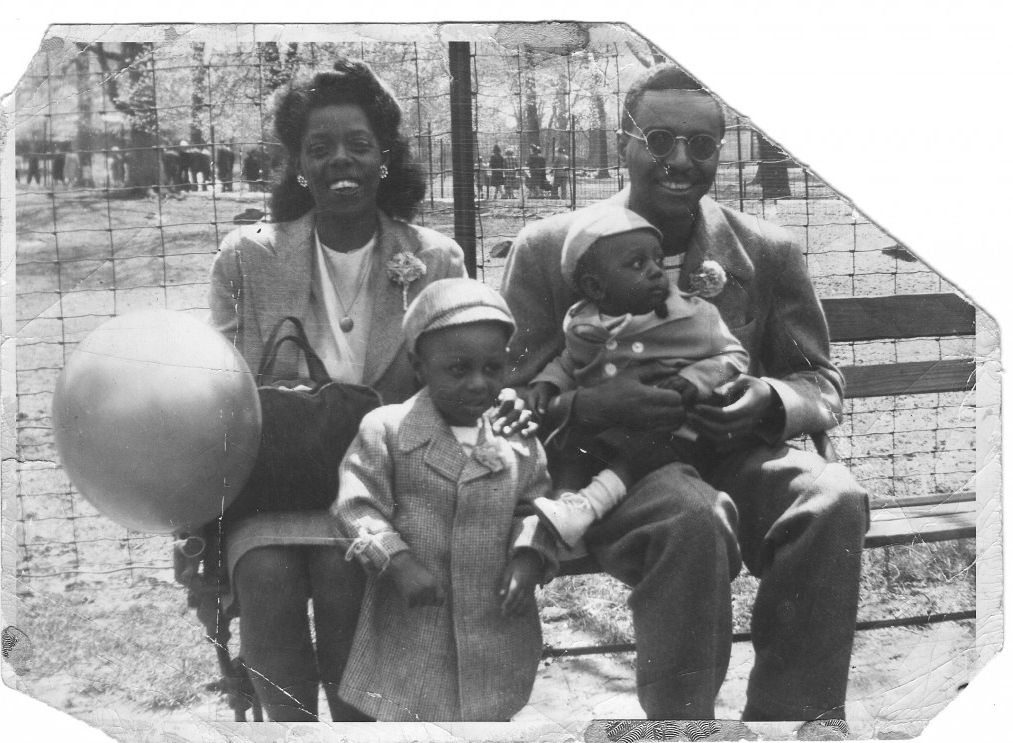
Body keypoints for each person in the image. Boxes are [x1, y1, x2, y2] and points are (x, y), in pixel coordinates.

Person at [500, 63, 869, 722]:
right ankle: (683, 727)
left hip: (738, 454)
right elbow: (511, 393)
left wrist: (770, 401)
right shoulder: (550, 248)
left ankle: (795, 720)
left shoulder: (763, 250)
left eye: (701, 146)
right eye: (660, 139)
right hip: (615, 469)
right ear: (624, 142)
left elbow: (820, 379)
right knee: (691, 516)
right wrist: (598, 406)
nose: (680, 160)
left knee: (833, 496)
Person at [207, 58, 467, 721]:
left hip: (385, 486)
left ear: (386, 157)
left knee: (344, 573)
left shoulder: (434, 259)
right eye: (318, 148)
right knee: (264, 577)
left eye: (358, 144)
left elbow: (456, 391)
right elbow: (226, 393)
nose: (339, 160)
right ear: (296, 163)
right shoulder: (246, 258)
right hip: (279, 480)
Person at [333, 279, 559, 721]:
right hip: (414, 615)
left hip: (492, 614)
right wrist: (395, 560)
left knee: (487, 710)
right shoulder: (388, 430)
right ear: (420, 368)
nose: (479, 384)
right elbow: (356, 505)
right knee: (410, 713)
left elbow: (534, 505)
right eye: (458, 370)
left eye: (493, 369)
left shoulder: (516, 438)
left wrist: (529, 556)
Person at [524, 205, 749, 549]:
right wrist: (548, 381)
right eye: (637, 264)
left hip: (672, 429)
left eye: (658, 261)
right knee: (571, 444)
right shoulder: (584, 324)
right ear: (595, 288)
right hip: (604, 427)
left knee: (640, 449)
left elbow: (734, 355)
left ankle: (587, 507)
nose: (657, 272)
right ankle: (559, 513)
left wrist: (694, 378)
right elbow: (570, 360)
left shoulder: (692, 316)